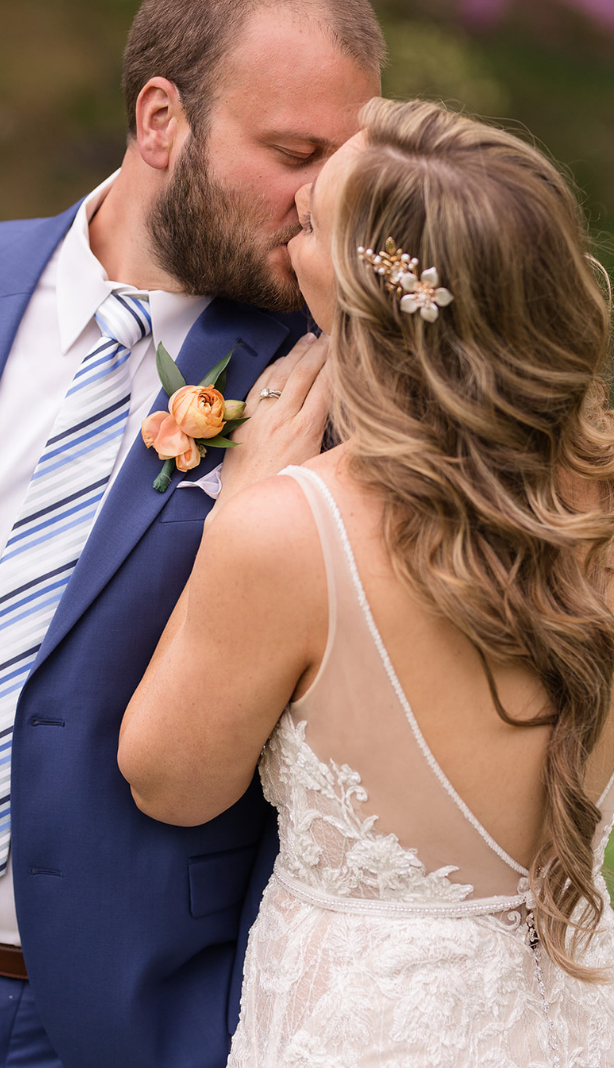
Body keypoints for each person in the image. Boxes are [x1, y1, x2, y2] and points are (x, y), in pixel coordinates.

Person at [0, 1, 380, 1064]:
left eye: (348, 162)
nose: (325, 198)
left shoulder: (348, 385)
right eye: (295, 153)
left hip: (144, 1018)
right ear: (160, 120)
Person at [119, 96, 614, 1066]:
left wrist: (233, 513)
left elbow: (169, 782)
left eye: (307, 222)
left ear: (367, 288)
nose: (286, 222)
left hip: (363, 1030)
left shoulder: (288, 531)